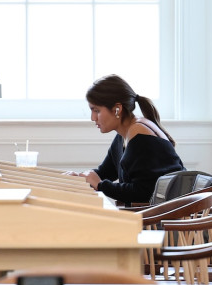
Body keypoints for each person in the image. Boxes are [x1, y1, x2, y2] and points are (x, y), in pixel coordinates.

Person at [66, 74, 186, 205]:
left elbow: (144, 191)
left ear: (117, 109)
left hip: (162, 220)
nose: (93, 117)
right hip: (152, 217)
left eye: (97, 110)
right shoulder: (123, 135)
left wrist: (101, 186)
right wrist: (79, 178)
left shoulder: (140, 134)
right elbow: (104, 173)